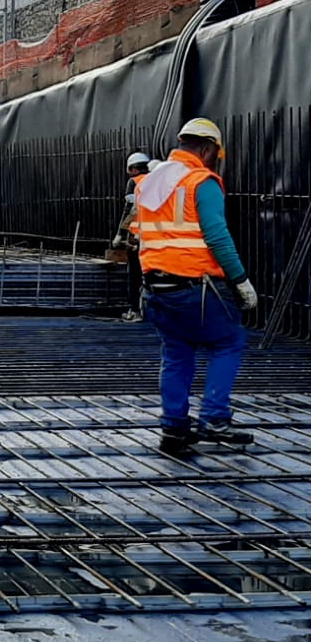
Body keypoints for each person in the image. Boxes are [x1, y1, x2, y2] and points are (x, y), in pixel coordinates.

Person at [133, 117, 258, 457]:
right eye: (216, 154)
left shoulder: (149, 183)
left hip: (156, 288)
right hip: (195, 286)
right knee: (228, 342)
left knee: (176, 352)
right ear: (206, 149)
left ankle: (174, 428)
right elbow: (217, 236)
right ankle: (215, 418)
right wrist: (240, 281)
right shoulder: (201, 181)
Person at [111, 151, 151, 320]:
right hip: (156, 238)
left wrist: (120, 234)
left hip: (136, 238)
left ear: (133, 169)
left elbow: (130, 210)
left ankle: (135, 310)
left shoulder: (134, 182)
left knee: (134, 275)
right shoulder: (156, 181)